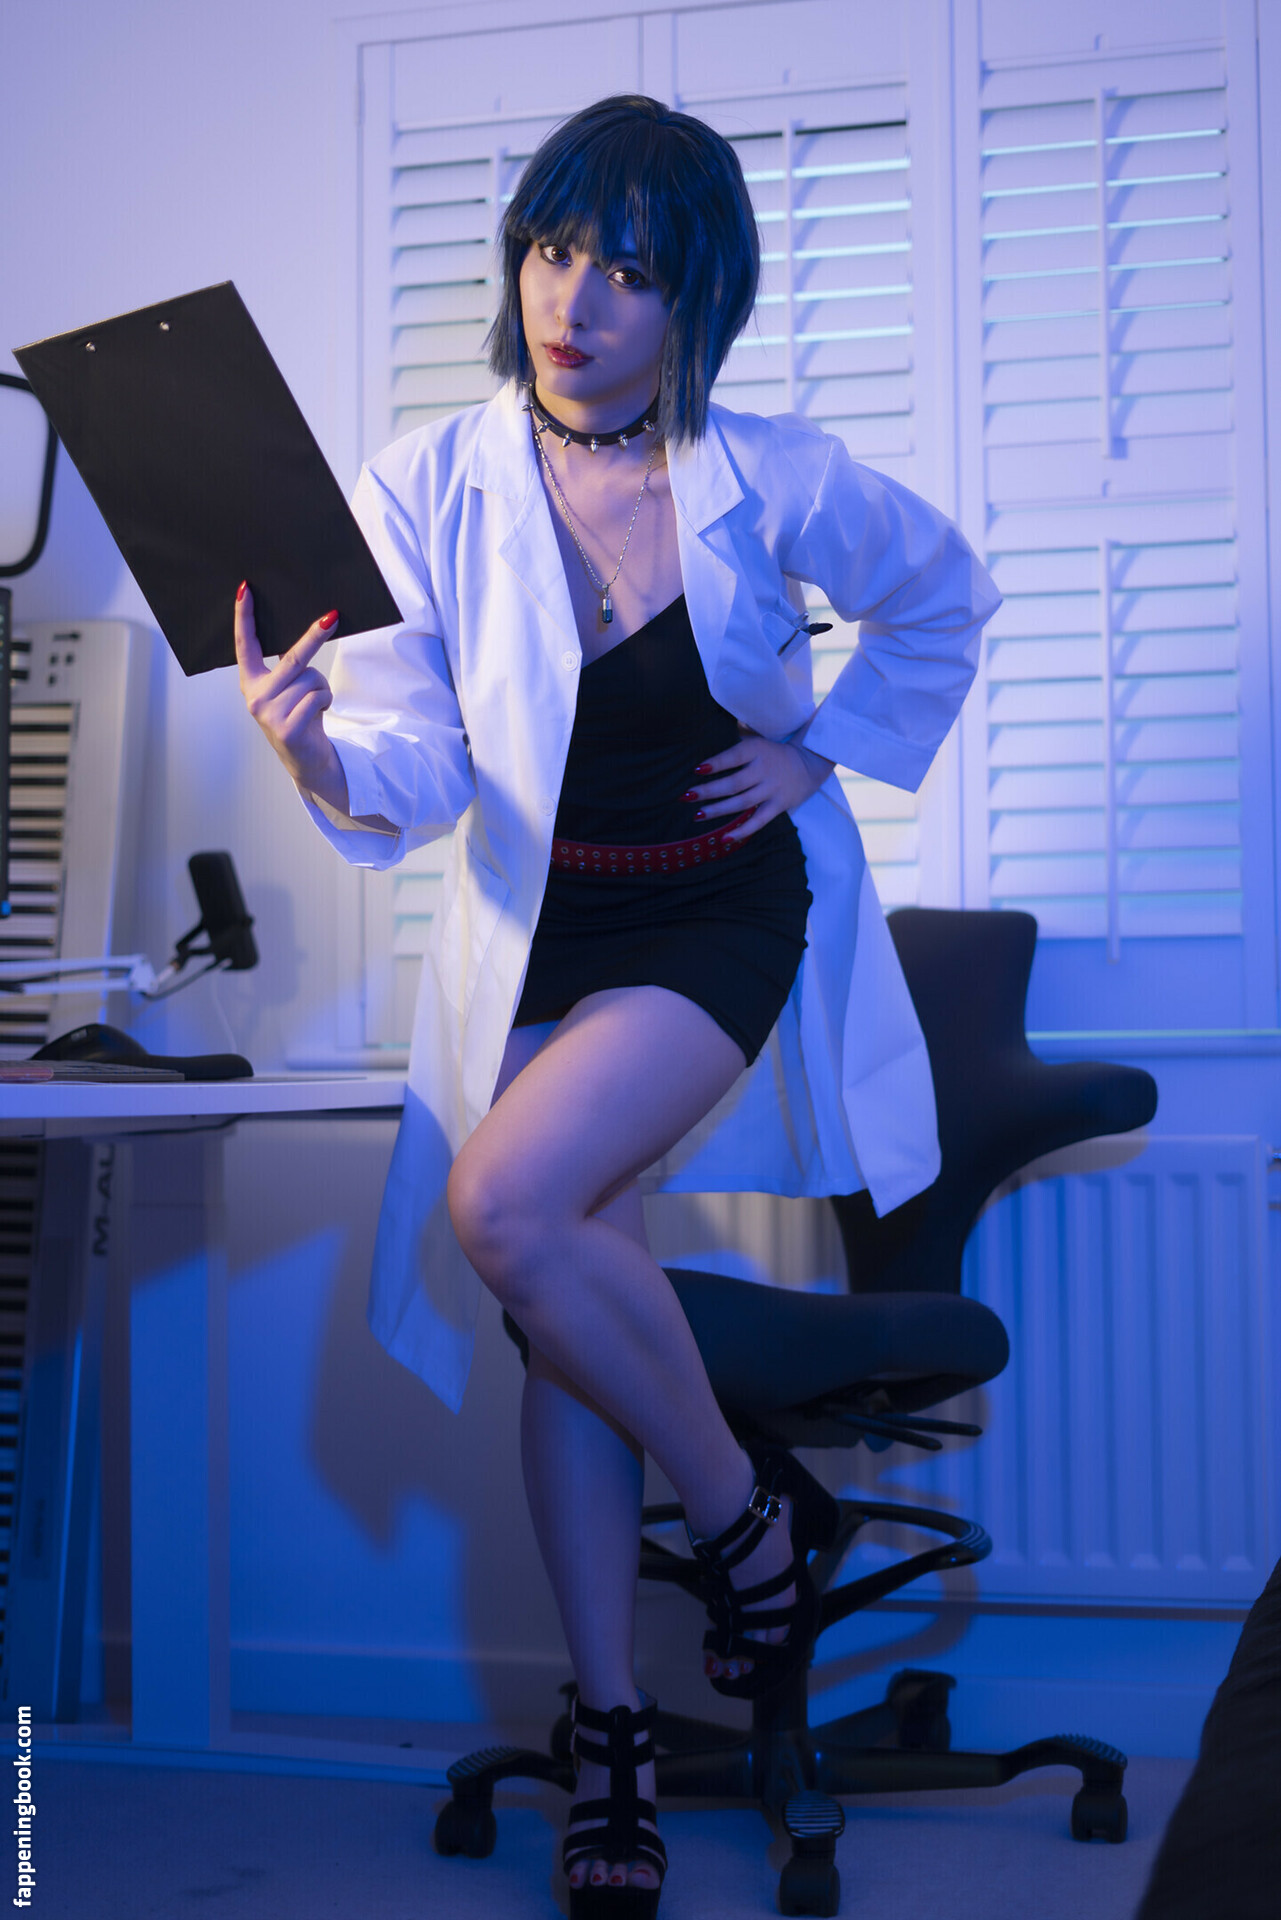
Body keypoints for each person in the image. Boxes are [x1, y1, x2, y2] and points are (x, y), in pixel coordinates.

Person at [235, 95, 999, 1919]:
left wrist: (821, 750)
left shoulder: (773, 476)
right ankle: (617, 1740)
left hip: (716, 911)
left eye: (629, 272)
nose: (573, 301)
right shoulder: (425, 482)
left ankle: (739, 1522)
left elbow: (944, 601)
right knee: (562, 1303)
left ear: (693, 298)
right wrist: (318, 749)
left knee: (505, 1203)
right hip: (541, 923)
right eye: (555, 250)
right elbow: (423, 761)